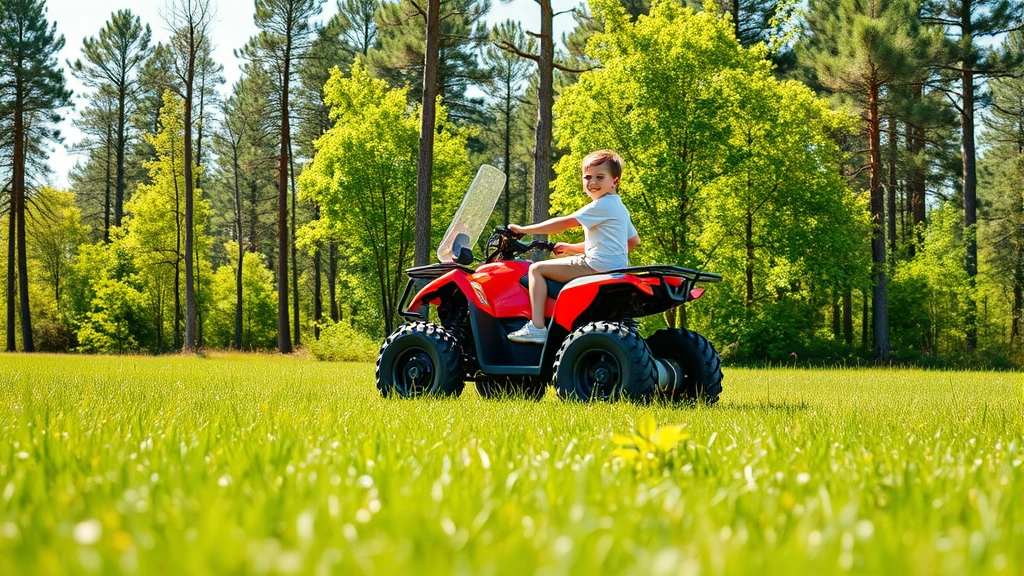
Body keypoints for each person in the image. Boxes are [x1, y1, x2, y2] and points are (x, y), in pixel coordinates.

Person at [507, 149, 640, 344]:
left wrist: (523, 230)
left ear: (615, 181)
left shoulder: (601, 205)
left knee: (536, 269)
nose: (592, 182)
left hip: (596, 266)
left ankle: (537, 327)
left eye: (600, 177)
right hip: (614, 268)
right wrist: (570, 248)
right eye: (587, 177)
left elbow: (564, 223)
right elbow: (632, 241)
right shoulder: (618, 206)